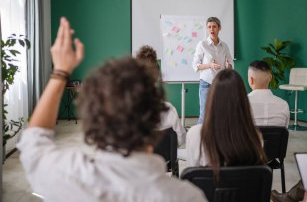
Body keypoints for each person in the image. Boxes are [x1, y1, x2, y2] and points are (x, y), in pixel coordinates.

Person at [17, 17, 207, 202]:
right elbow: (180, 139)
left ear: (92, 122)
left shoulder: (66, 177)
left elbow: (33, 142)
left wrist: (60, 71)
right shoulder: (188, 196)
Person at [186, 69, 267, 178]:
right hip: (242, 195)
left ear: (211, 98)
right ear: (243, 100)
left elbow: (193, 178)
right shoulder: (255, 136)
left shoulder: (194, 134)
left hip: (206, 194)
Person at [136, 45, 186, 146]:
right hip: (165, 161)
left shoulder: (125, 110)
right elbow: (180, 140)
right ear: (157, 76)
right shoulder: (169, 110)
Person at [192, 17, 233, 124]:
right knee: (204, 114)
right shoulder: (202, 44)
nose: (212, 29)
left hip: (221, 83)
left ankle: (219, 138)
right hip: (206, 83)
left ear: (219, 28)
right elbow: (195, 66)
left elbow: (230, 64)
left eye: (214, 26)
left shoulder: (224, 46)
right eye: (209, 27)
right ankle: (200, 139)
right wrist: (210, 65)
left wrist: (229, 66)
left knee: (221, 113)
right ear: (206, 29)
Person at [247, 60, 290, 127]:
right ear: (270, 78)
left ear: (251, 80)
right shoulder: (284, 105)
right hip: (276, 138)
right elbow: (285, 130)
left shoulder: (240, 103)